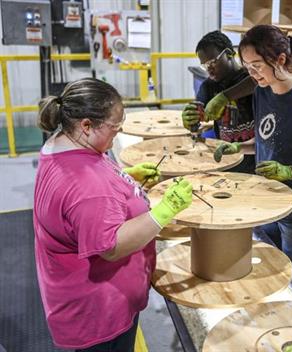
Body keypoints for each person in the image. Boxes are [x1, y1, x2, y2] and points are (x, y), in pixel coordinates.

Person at [33, 78, 193, 351]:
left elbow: (76, 209)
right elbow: (111, 246)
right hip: (99, 312)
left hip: (74, 295)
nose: (116, 134)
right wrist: (164, 211)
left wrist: (125, 179)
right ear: (86, 125)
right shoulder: (87, 186)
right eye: (114, 128)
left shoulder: (60, 146)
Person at [213, 25, 292, 283]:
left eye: (257, 65)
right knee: (270, 273)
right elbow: (267, 138)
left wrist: (289, 172)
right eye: (247, 66)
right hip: (269, 201)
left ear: (280, 60)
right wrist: (241, 146)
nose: (252, 73)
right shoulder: (263, 90)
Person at [181, 30, 256, 173]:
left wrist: (224, 97)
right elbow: (198, 112)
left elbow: (254, 82)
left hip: (255, 158)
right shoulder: (209, 86)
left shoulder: (251, 77)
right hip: (227, 159)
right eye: (204, 65)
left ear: (228, 54)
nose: (209, 69)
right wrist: (190, 118)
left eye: (212, 62)